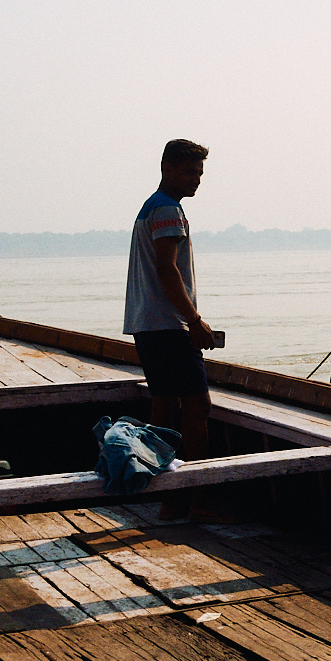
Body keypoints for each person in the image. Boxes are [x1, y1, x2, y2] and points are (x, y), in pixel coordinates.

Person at [123, 139, 220, 518]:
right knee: (198, 407)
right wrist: (194, 321)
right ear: (167, 168)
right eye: (188, 171)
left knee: (164, 408)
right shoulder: (167, 210)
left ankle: (167, 499)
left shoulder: (150, 208)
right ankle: (196, 499)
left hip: (147, 325)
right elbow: (167, 270)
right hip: (168, 326)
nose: (195, 180)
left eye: (199, 173)